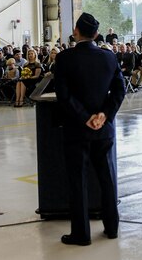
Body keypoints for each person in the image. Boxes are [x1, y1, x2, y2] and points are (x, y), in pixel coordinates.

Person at [53, 12, 125, 246]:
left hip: (77, 129)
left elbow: (63, 96)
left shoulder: (64, 59)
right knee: (106, 178)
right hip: (104, 129)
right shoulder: (109, 57)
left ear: (76, 32)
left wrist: (85, 118)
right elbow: (119, 91)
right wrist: (104, 115)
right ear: (95, 34)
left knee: (78, 181)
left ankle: (81, 234)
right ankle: (112, 228)